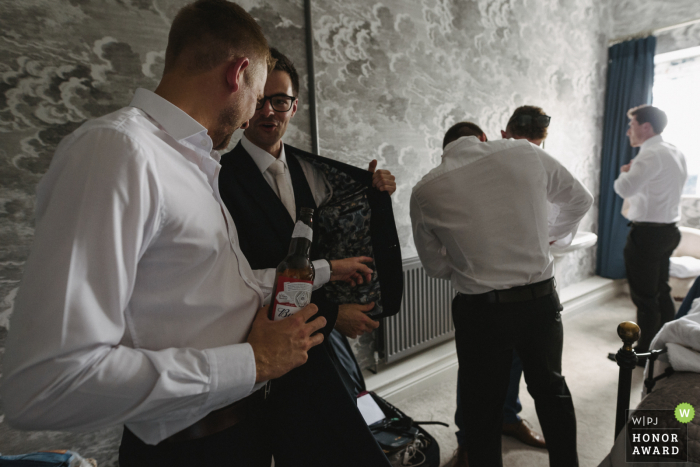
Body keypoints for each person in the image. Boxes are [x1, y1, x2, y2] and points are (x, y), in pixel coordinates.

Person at [1, 2, 376, 466]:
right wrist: (253, 362)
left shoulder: (192, 164)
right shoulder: (120, 151)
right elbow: (47, 383)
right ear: (238, 74)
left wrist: (323, 272)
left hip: (243, 431)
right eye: (257, 96)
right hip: (192, 450)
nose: (250, 118)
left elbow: (210, 292)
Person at [217, 47, 400, 466]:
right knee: (305, 445)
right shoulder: (221, 178)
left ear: (294, 106)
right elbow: (239, 279)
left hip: (321, 338)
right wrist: (336, 315)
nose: (269, 111)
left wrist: (375, 191)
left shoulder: (312, 171)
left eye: (279, 101)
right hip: (266, 343)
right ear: (244, 101)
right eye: (260, 99)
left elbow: (342, 229)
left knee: (350, 435)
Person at [411, 121, 592, 466]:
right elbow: (580, 200)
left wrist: (473, 264)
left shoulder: (426, 190)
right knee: (552, 390)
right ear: (483, 138)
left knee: (482, 406)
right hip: (539, 303)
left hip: (481, 312)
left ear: (444, 151)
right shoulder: (525, 152)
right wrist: (546, 237)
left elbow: (435, 267)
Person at [452, 106, 551, 466]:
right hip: (485, 292)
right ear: (501, 136)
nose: (529, 152)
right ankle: (468, 438)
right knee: (475, 372)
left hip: (530, 287)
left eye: (536, 145)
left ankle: (508, 417)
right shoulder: (475, 171)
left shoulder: (534, 165)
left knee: (519, 361)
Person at [612, 105, 687, 362]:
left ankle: (642, 353)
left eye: (631, 125)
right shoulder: (675, 151)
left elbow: (624, 188)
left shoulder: (649, 154)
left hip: (647, 236)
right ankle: (666, 345)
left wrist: (624, 173)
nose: (627, 132)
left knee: (644, 298)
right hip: (668, 232)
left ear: (646, 127)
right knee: (661, 290)